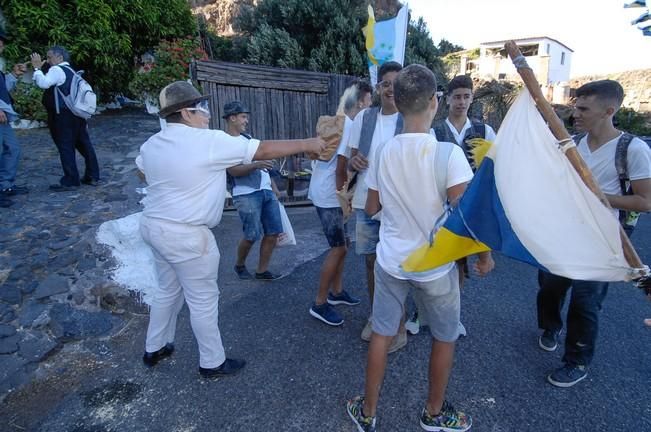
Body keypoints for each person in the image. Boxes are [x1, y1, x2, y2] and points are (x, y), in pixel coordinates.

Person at [136, 81, 324, 378]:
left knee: (167, 290)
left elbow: (142, 169)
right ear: (186, 113)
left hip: (154, 226)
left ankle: (155, 347)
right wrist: (309, 143)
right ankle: (212, 362)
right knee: (202, 300)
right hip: (187, 234)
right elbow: (261, 149)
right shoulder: (207, 141)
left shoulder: (153, 143)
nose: (208, 115)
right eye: (202, 109)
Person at [346, 64, 494, 432]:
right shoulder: (448, 155)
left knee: (382, 333)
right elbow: (469, 215)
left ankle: (367, 412)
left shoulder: (384, 150)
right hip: (435, 268)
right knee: (444, 337)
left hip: (391, 261)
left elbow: (371, 208)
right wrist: (484, 255)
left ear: (397, 99)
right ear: (434, 102)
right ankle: (434, 413)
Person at [537, 79, 651, 388]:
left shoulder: (634, 149)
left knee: (585, 303)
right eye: (576, 107)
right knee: (549, 286)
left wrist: (599, 197)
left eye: (584, 108)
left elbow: (645, 201)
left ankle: (576, 361)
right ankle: (550, 327)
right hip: (564, 235)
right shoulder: (572, 144)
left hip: (605, 241)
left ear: (608, 110)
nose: (576, 114)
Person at [408, 75, 498, 336]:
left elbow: (491, 172)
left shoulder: (484, 132)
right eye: (456, 96)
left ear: (472, 98)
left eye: (466, 96)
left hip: (469, 209)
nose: (461, 101)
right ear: (446, 99)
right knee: (429, 260)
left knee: (459, 264)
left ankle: (451, 315)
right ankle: (420, 312)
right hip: (436, 206)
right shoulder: (433, 131)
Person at [345, 61, 408, 350]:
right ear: (379, 87)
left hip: (397, 205)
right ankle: (377, 316)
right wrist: (355, 162)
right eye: (386, 83)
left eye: (396, 83)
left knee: (395, 264)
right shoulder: (364, 118)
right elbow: (352, 157)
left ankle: (399, 324)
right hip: (365, 202)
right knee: (371, 262)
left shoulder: (410, 119)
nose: (390, 88)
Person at [308, 80, 372, 326]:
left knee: (343, 244)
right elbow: (342, 166)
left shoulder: (336, 120)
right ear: (359, 103)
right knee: (338, 248)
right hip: (330, 195)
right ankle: (320, 303)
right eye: (368, 102)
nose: (370, 107)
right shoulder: (351, 124)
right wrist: (342, 195)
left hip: (322, 190)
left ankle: (336, 292)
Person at [225, 100, 283, 281]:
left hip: (266, 191)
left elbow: (265, 165)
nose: (246, 121)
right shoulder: (224, 142)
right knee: (251, 235)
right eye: (243, 117)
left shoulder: (249, 139)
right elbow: (233, 171)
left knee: (273, 232)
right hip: (245, 193)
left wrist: (273, 187)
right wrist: (256, 164)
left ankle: (261, 270)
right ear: (232, 118)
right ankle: (240, 265)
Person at [30, 46, 100, 191]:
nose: (47, 61)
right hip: (75, 114)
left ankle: (71, 180)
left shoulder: (57, 70)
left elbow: (43, 83)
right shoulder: (71, 71)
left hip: (62, 115)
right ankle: (93, 175)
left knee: (65, 146)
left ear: (60, 57)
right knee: (84, 144)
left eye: (50, 57)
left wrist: (37, 69)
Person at [0, 31, 28, 205]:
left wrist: (13, 75)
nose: (2, 46)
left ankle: (5, 185)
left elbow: (2, 88)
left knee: (13, 149)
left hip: (3, 118)